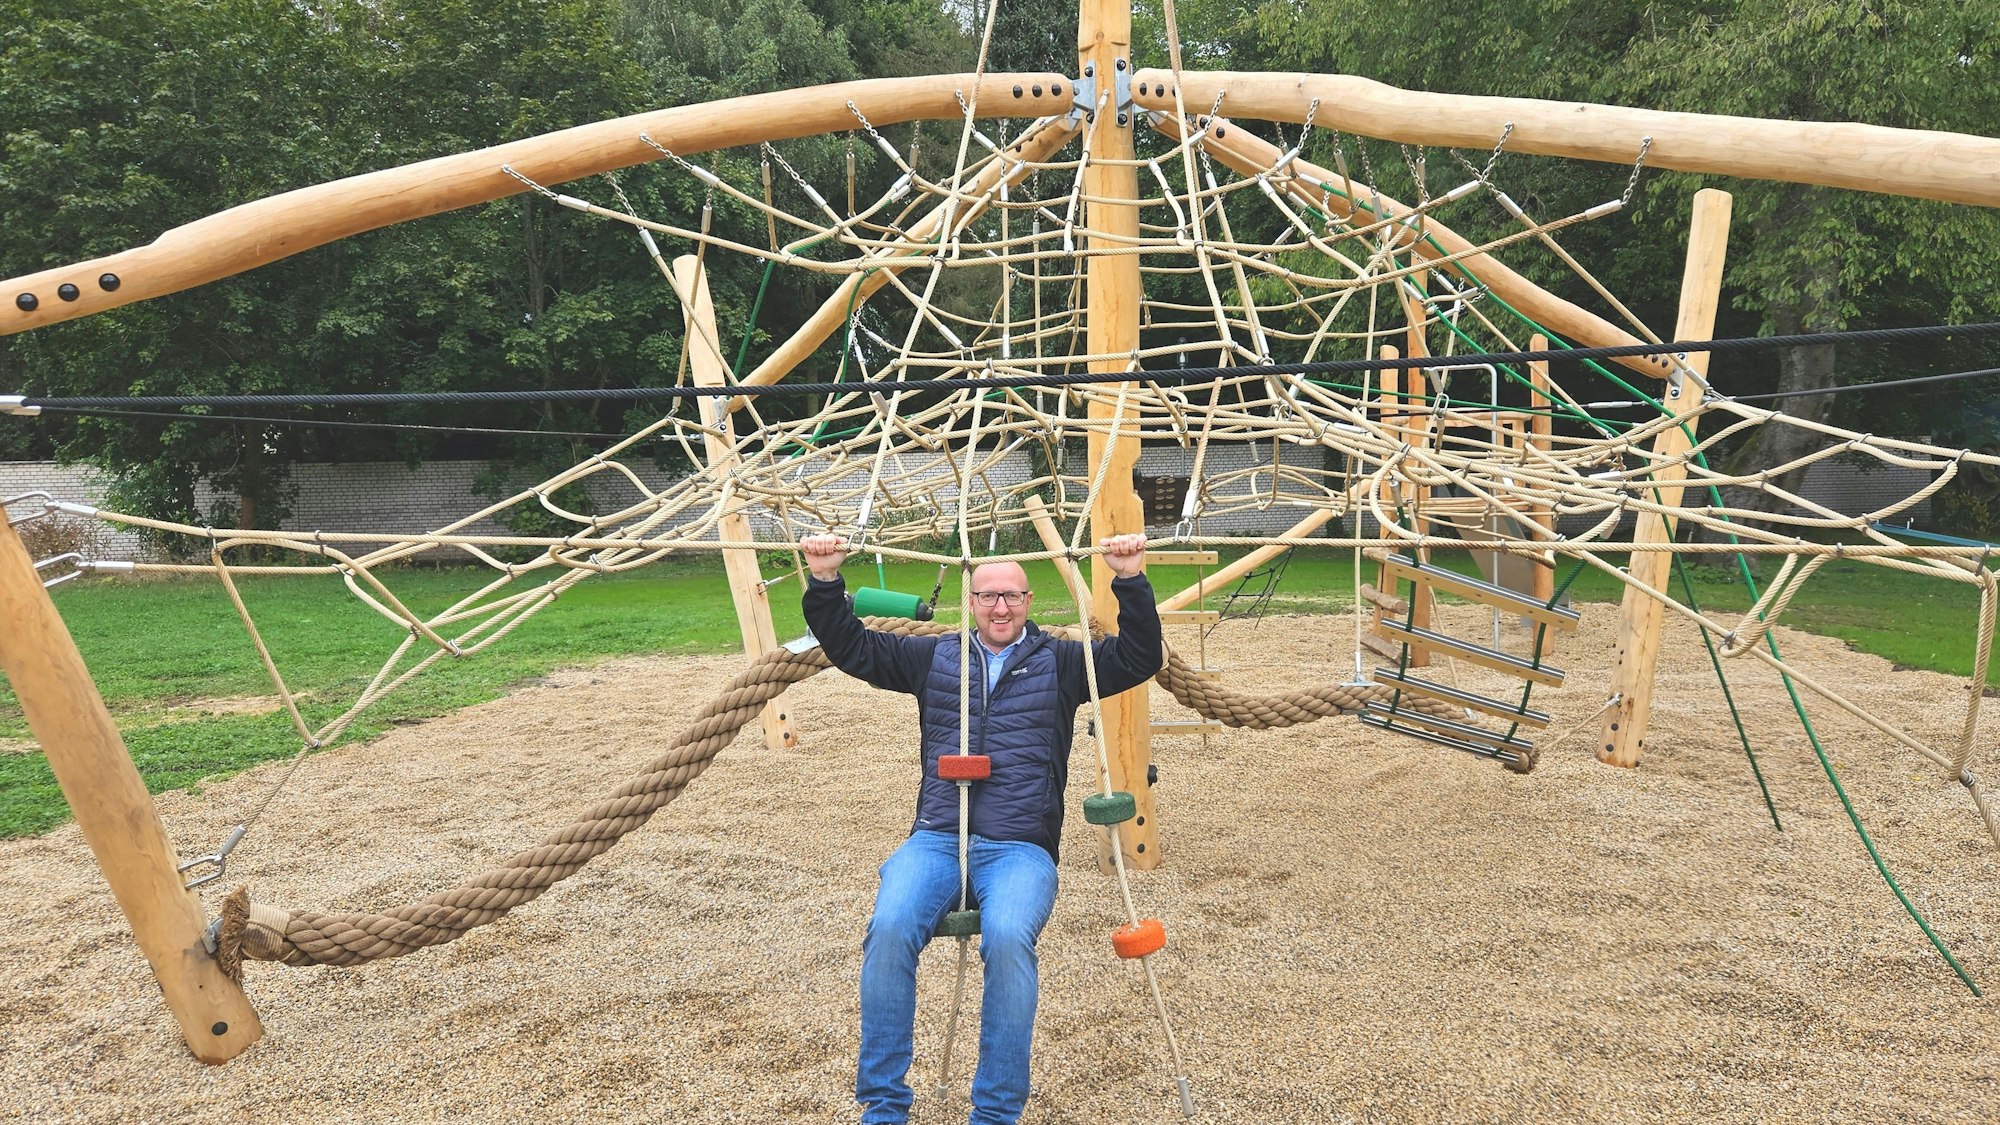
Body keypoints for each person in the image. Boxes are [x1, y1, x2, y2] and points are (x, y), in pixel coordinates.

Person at [798, 532, 1162, 1125]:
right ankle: (884, 1106)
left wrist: (1130, 578)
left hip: (1019, 848)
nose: (1001, 608)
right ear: (970, 602)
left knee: (1009, 937)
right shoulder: (935, 656)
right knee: (888, 928)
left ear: (1028, 600)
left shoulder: (1064, 663)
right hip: (939, 836)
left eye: (1012, 597)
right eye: (989, 597)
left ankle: (994, 1113)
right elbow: (851, 647)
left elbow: (1140, 656)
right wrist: (824, 581)